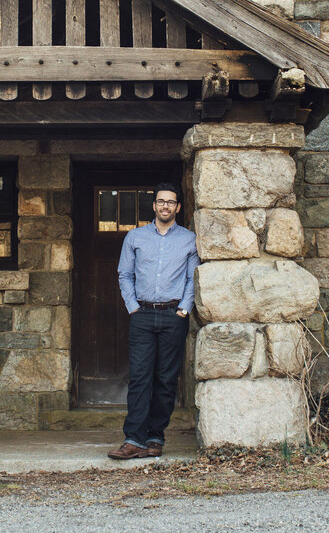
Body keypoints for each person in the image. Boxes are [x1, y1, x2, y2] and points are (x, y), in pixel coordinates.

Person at [108, 182, 199, 460]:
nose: (165, 206)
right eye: (161, 201)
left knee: (166, 379)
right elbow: (125, 274)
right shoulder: (135, 238)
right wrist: (133, 307)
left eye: (171, 202)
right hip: (143, 315)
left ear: (178, 207)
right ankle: (133, 439)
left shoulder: (188, 239)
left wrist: (184, 309)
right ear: (154, 205)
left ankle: (155, 438)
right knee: (140, 378)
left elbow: (192, 278)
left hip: (174, 315)